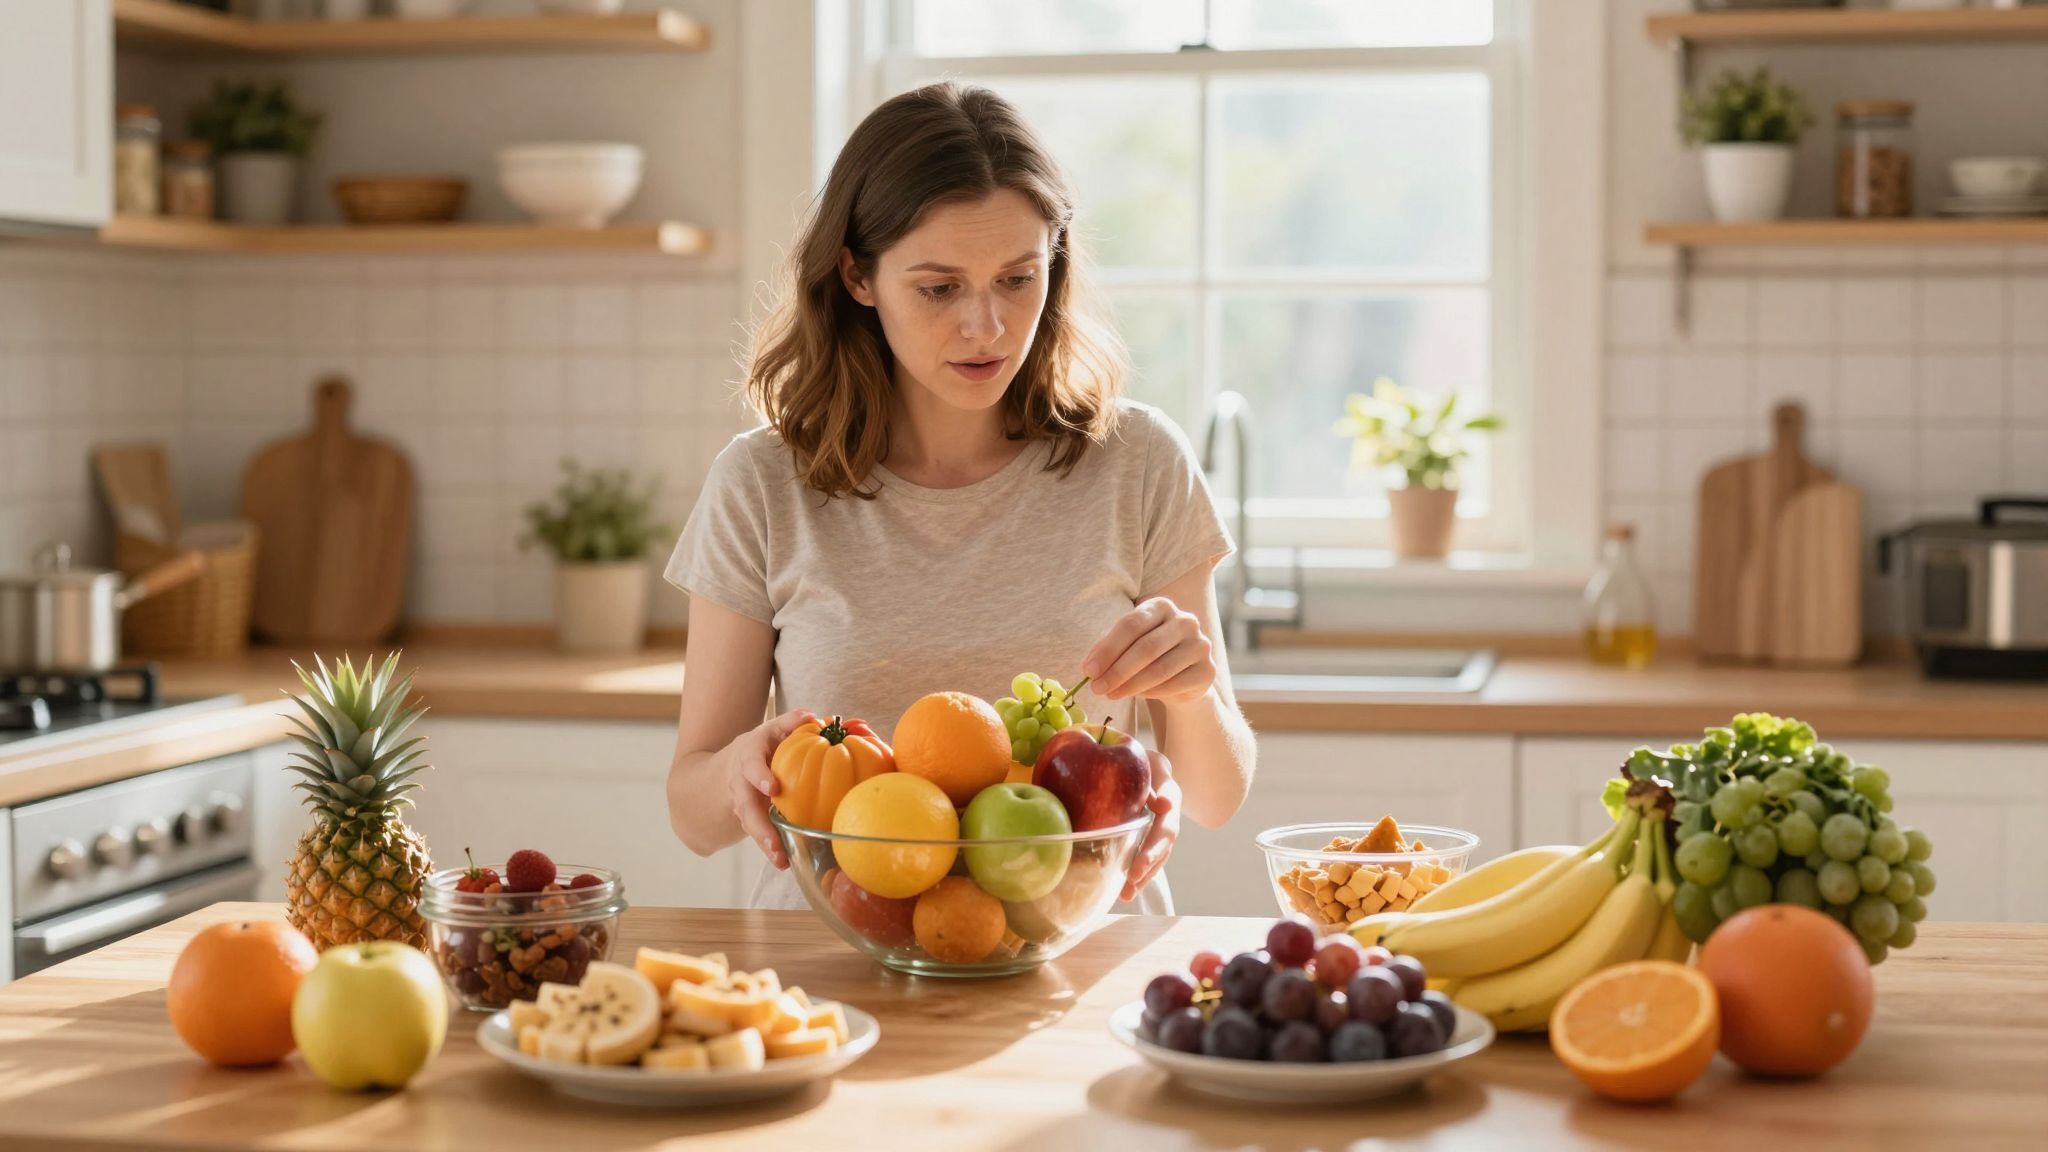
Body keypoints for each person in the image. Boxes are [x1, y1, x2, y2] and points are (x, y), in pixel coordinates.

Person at [663, 81, 1257, 911]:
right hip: (838, 959)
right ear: (859, 277)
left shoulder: (1138, 461)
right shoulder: (763, 484)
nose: (988, 327)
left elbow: (1217, 797)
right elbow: (694, 816)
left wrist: (1190, 696)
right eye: (939, 288)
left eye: (1017, 279)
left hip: (1075, 957)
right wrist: (740, 769)